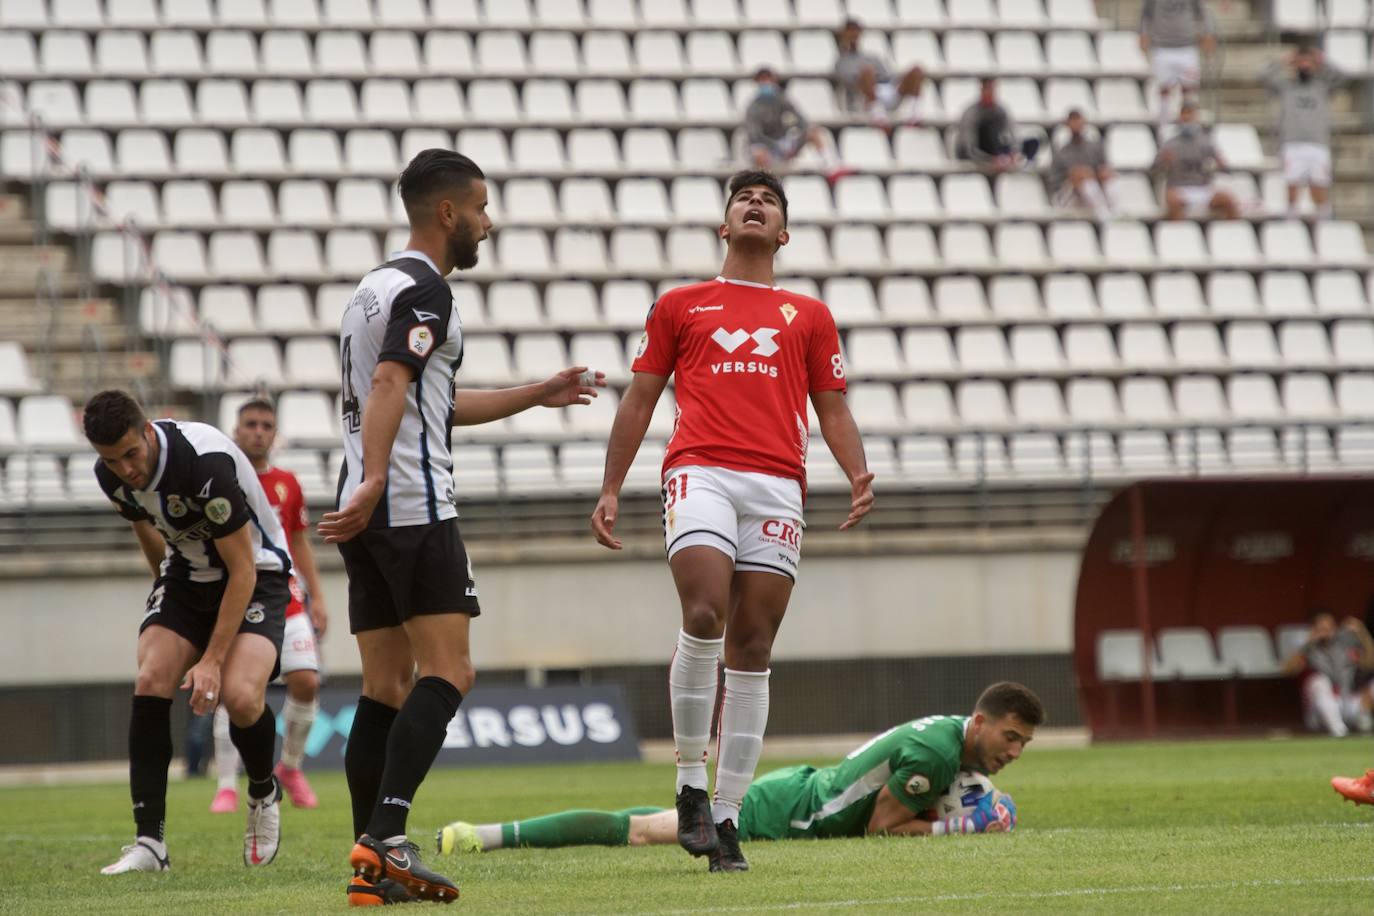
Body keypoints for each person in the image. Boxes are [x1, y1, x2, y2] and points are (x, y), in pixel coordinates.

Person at [321, 147, 604, 906]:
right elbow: (389, 384)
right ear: (448, 214)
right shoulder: (427, 290)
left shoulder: (371, 289)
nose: (488, 221)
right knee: (451, 672)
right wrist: (383, 475)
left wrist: (536, 392)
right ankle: (387, 837)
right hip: (410, 502)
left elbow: (425, 398)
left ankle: (368, 861)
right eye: (480, 207)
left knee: (385, 684)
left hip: (365, 507)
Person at [590, 169, 875, 873]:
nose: (755, 204)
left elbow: (831, 406)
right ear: (725, 225)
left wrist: (858, 471)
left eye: (768, 200)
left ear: (783, 233)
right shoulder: (681, 305)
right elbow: (640, 400)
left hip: (779, 484)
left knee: (752, 645)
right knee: (707, 613)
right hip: (702, 471)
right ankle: (690, 783)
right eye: (743, 198)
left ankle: (727, 818)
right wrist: (610, 485)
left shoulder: (807, 315)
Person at [436, 682, 1043, 854]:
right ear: (982, 722)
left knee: (645, 826)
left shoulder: (943, 736)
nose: (1012, 753)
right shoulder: (936, 755)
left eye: (1023, 745)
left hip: (802, 791)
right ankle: (482, 836)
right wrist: (958, 827)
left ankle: (488, 835)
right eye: (1010, 738)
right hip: (792, 813)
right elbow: (879, 833)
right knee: (644, 830)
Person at [84, 390, 291, 875]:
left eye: (131, 454)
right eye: (112, 460)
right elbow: (144, 525)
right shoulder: (109, 476)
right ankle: (149, 844)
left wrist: (212, 660)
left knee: (239, 697)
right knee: (152, 676)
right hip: (186, 575)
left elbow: (242, 571)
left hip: (255, 577)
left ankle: (262, 788)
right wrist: (164, 595)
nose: (126, 469)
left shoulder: (205, 464)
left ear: (148, 431)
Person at [209, 397, 329, 813]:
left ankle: (290, 768)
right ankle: (226, 782)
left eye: (265, 425)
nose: (258, 431)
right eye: (251, 424)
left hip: (287, 595)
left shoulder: (288, 484)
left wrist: (317, 596)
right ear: (236, 431)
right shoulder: (221, 477)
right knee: (235, 691)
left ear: (274, 434)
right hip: (237, 595)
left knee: (307, 681)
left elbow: (298, 540)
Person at [1260, 45, 1348, 221]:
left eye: (1308, 61)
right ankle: (1291, 222)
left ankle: (1324, 224)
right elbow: (1262, 76)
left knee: (1319, 186)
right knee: (1292, 186)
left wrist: (1323, 60)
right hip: (1292, 143)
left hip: (1318, 144)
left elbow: (1343, 78)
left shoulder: (1322, 86)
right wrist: (1283, 61)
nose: (1305, 65)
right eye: (1301, 61)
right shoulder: (1286, 86)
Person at [744, 67, 850, 183]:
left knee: (813, 132)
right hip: (769, 148)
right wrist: (776, 147)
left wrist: (793, 136)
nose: (767, 83)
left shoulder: (782, 99)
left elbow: (801, 120)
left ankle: (831, 168)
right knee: (759, 152)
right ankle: (767, 183)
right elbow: (755, 136)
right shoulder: (752, 108)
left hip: (785, 143)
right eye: (763, 80)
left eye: (769, 79)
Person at [1282, 609, 1374, 738]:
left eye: (1329, 627)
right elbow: (1287, 670)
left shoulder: (1346, 645)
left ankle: (1364, 722)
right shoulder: (1310, 648)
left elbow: (1370, 664)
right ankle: (1339, 732)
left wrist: (1362, 633)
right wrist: (1308, 642)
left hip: (1347, 703)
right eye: (1322, 628)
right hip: (1320, 713)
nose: (1326, 631)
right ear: (1314, 629)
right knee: (1318, 681)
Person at [1151, 100, 1239, 220]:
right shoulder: (1170, 144)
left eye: (1190, 115)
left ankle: (1231, 234)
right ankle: (1179, 235)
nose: (1187, 119)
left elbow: (1227, 170)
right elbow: (1154, 170)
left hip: (1203, 188)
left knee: (1228, 200)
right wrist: (1164, 162)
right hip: (1179, 188)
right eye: (1184, 115)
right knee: (1173, 201)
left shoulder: (1206, 142)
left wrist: (1221, 164)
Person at [833, 18, 925, 129]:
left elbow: (888, 76)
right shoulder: (841, 61)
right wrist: (869, 78)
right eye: (850, 32)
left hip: (886, 89)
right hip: (865, 97)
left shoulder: (873, 57)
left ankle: (913, 115)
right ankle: (879, 117)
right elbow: (851, 83)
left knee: (916, 70)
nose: (853, 35)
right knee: (867, 71)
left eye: (856, 31)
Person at [1139, 0, 1216, 130]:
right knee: (1164, 88)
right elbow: (1146, 13)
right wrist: (1143, 33)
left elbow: (1202, 11)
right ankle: (1163, 128)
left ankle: (1190, 129)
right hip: (1162, 46)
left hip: (1187, 46)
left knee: (1189, 89)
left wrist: (1208, 33)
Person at [955, 79, 1041, 172]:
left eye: (992, 89)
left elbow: (1011, 133)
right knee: (990, 129)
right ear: (982, 90)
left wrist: (1013, 151)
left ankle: (1020, 161)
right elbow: (968, 148)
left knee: (1033, 142)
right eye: (987, 89)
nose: (990, 93)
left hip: (997, 149)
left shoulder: (1000, 110)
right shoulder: (971, 114)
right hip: (978, 153)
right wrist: (991, 160)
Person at [1051, 109, 1120, 222]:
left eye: (1078, 121)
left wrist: (1098, 174)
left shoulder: (1095, 147)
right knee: (1087, 184)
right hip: (1069, 194)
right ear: (1067, 124)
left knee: (1110, 182)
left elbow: (1104, 169)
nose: (1076, 125)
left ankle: (1115, 215)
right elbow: (1058, 181)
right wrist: (1079, 176)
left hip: (1095, 186)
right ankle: (1104, 219)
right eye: (1073, 121)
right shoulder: (1062, 152)